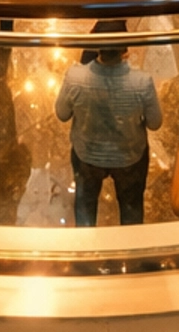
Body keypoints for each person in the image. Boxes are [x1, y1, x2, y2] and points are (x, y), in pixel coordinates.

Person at [54, 22, 162, 227]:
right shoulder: (142, 82)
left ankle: (85, 250)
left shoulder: (75, 78)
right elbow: (155, 123)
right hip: (130, 156)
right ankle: (131, 253)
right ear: (125, 48)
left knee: (85, 207)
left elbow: (62, 114)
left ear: (95, 46)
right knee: (131, 210)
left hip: (87, 155)